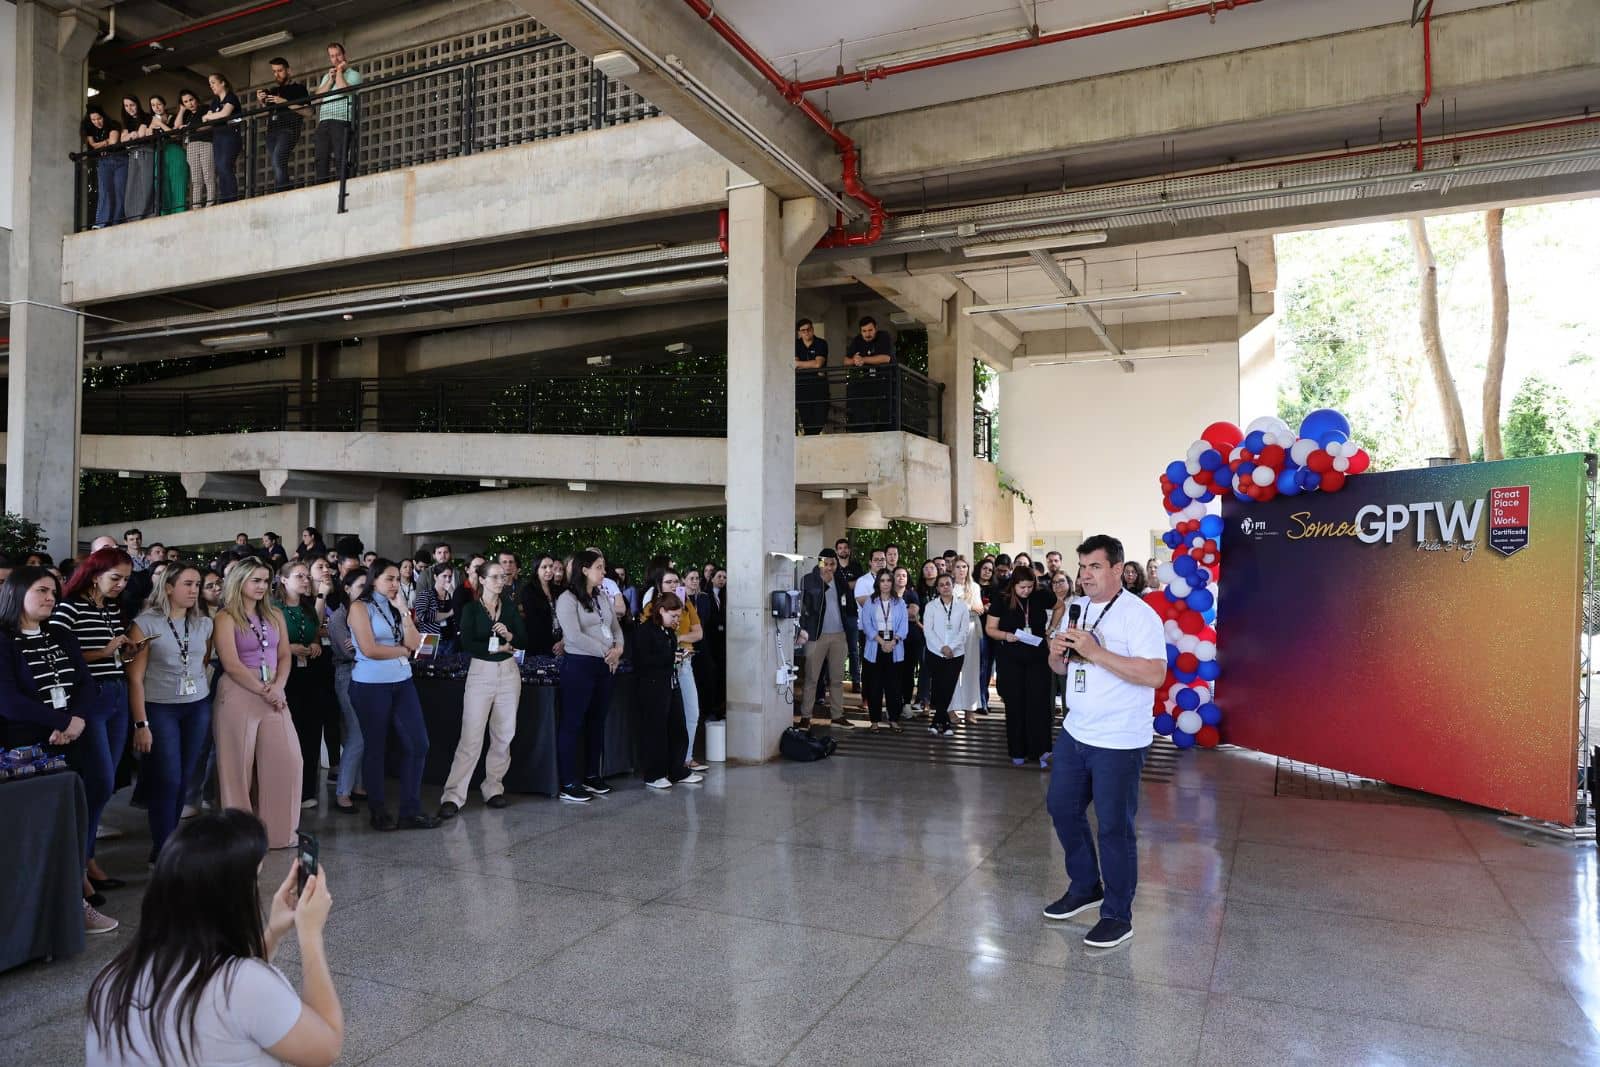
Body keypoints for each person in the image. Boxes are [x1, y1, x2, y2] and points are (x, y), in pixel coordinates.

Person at [84, 810, 344, 1067]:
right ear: (230, 898)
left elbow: (218, 978)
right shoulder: (245, 986)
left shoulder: (110, 979)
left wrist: (273, 932)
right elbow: (327, 1047)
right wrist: (310, 936)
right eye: (254, 880)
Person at [1042, 535, 1167, 949]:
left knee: (1114, 827)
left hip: (1119, 738)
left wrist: (1095, 653)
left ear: (1118, 569)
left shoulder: (1139, 615)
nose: (1085, 575)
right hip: (1077, 731)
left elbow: (1153, 674)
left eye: (1094, 567)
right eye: (1081, 568)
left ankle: (1117, 913)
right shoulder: (1075, 608)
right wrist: (1058, 654)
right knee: (1061, 807)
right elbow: (1058, 664)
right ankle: (1084, 885)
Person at [0, 566, 118, 934]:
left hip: (72, 733)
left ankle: (77, 882)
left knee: (85, 801)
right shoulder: (3, 639)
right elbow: (7, 699)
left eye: (53, 591)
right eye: (42, 590)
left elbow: (84, 683)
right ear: (16, 594)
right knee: (43, 827)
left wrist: (75, 720)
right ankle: (67, 904)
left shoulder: (61, 633)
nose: (51, 597)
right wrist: (59, 721)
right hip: (26, 745)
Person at [51, 549, 140, 889]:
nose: (121, 585)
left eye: (126, 579)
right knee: (99, 780)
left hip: (116, 691)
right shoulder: (69, 607)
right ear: (94, 574)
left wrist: (124, 651)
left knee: (106, 781)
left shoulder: (111, 609)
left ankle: (85, 858)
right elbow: (57, 654)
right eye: (115, 577)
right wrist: (103, 652)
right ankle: (79, 861)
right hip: (89, 696)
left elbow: (109, 652)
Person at [126, 564, 213, 859]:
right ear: (168, 587)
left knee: (185, 777)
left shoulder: (204, 623)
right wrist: (141, 723)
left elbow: (202, 662)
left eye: (198, 584)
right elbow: (135, 678)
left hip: (197, 706)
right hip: (160, 708)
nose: (194, 590)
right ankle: (163, 847)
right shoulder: (145, 623)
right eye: (188, 584)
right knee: (169, 778)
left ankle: (170, 840)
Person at [213, 559, 299, 849]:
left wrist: (278, 687)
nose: (262, 586)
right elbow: (231, 664)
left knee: (288, 761)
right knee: (236, 768)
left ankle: (281, 834)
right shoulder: (225, 617)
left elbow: (285, 654)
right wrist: (265, 689)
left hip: (274, 692)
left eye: (265, 580)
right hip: (239, 692)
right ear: (240, 582)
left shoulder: (275, 614)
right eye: (256, 580)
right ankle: (240, 837)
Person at [347, 559, 438, 831]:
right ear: (374, 579)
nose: (395, 583)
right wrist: (402, 652)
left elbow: (414, 642)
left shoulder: (396, 606)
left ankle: (410, 810)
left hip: (403, 682)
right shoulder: (359, 607)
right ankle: (378, 810)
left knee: (419, 744)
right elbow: (370, 649)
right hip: (370, 685)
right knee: (376, 747)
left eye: (398, 578)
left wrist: (404, 612)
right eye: (389, 578)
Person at [439, 559, 526, 819]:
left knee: (504, 734)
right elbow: (467, 642)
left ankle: (493, 787)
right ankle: (453, 795)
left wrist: (510, 637)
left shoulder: (509, 607)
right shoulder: (471, 609)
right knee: (471, 736)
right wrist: (495, 647)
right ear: (483, 580)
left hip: (509, 672)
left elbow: (523, 638)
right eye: (496, 576)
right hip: (481, 672)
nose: (502, 580)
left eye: (503, 576)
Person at [554, 551, 625, 803]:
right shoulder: (567, 598)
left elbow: (616, 627)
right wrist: (608, 652)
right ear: (584, 570)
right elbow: (573, 636)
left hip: (605, 665)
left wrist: (618, 649)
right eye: (598, 567)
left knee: (597, 721)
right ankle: (569, 781)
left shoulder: (601, 596)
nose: (603, 572)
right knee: (573, 723)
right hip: (580, 665)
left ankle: (592, 775)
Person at [633, 592, 705, 790]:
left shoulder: (668, 631)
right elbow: (641, 661)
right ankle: (654, 773)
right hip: (652, 686)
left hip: (670, 683)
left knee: (678, 726)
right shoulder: (645, 631)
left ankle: (677, 769)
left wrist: (676, 656)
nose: (676, 621)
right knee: (656, 730)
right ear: (661, 610)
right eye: (673, 616)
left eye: (678, 617)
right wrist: (670, 659)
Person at [987, 568, 1057, 769]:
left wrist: (1050, 629)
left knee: (1038, 703)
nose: (1026, 591)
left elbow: (1059, 606)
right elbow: (990, 629)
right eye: (1022, 587)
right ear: (1013, 585)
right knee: (1016, 704)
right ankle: (1017, 750)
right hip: (1011, 658)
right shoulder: (1002, 598)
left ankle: (1041, 750)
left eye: (1029, 586)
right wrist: (1006, 636)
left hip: (1037, 657)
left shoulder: (1041, 594)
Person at [276, 561, 330, 809]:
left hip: (310, 672)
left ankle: (307, 789)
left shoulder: (308, 607)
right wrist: (287, 649)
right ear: (284, 580)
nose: (306, 580)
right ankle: (284, 789)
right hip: (284, 675)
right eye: (299, 576)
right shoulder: (273, 608)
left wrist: (315, 643)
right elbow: (265, 644)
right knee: (288, 732)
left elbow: (314, 631)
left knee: (310, 731)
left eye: (307, 576)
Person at [324, 567, 367, 814]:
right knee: (356, 734)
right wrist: (366, 643)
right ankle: (343, 792)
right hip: (348, 674)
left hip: (369, 674)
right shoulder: (339, 618)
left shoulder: (369, 613)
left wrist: (363, 643)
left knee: (365, 733)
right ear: (347, 589)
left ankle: (358, 786)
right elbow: (348, 651)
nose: (365, 591)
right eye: (361, 586)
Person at [796, 548, 852, 730]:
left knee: (836, 679)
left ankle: (837, 715)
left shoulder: (840, 579)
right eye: (825, 563)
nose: (829, 567)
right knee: (812, 678)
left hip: (839, 635)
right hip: (815, 635)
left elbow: (847, 604)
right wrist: (823, 584)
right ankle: (805, 716)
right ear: (819, 562)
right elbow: (808, 607)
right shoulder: (809, 579)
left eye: (832, 564)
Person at [861, 570, 907, 732]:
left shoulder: (899, 602)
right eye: (882, 580)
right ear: (878, 583)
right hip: (875, 646)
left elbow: (904, 626)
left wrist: (893, 642)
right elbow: (866, 624)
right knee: (875, 686)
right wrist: (881, 642)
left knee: (894, 686)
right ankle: (874, 721)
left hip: (895, 646)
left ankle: (894, 719)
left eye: (888, 580)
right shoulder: (870, 602)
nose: (886, 583)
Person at [921, 574, 966, 737]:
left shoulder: (962, 607)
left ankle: (936, 722)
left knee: (948, 687)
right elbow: (928, 630)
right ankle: (944, 722)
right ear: (937, 588)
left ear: (953, 586)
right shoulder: (931, 606)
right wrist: (942, 647)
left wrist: (951, 647)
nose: (945, 587)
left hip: (957, 653)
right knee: (939, 688)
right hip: (935, 653)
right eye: (941, 584)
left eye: (948, 584)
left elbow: (964, 631)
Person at [313, 43, 363, 183]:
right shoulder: (327, 77)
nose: (336, 59)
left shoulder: (354, 74)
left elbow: (343, 89)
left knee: (340, 155)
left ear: (344, 55)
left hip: (341, 120)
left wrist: (340, 72)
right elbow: (316, 99)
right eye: (332, 56)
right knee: (321, 157)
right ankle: (321, 185)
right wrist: (329, 81)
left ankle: (343, 184)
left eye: (338, 55)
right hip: (324, 121)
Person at [258, 56, 310, 190]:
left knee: (278, 158)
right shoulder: (273, 91)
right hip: (272, 131)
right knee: (277, 163)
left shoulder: (299, 88)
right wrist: (262, 102)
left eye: (280, 71)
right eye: (274, 71)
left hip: (289, 129)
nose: (277, 74)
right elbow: (263, 113)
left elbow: (309, 112)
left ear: (289, 71)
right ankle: (283, 187)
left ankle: (283, 189)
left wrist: (284, 102)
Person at [946, 556, 986, 721]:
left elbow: (980, 608)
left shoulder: (974, 586)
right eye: (958, 567)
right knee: (954, 670)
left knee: (971, 669)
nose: (962, 570)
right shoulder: (948, 586)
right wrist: (969, 607)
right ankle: (951, 709)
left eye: (964, 567)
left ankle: (970, 709)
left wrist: (969, 607)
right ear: (953, 569)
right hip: (953, 632)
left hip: (971, 630)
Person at [844, 315, 894, 430]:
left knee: (885, 410)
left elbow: (886, 358)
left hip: (885, 380)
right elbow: (846, 361)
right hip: (867, 380)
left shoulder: (883, 336)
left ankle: (884, 428)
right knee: (855, 395)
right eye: (864, 331)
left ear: (875, 328)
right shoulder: (857, 340)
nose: (867, 334)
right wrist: (854, 360)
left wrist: (863, 359)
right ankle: (861, 427)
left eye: (870, 330)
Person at [145, 95, 189, 214]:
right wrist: (151, 127)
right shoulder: (152, 121)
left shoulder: (173, 117)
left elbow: (174, 134)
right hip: (159, 153)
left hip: (175, 151)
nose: (156, 107)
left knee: (178, 182)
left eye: (158, 104)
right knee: (160, 183)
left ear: (164, 104)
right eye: (153, 105)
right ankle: (164, 213)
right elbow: (148, 137)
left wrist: (160, 123)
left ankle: (180, 212)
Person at [202, 73, 242, 203]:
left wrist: (211, 116)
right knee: (220, 167)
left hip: (230, 135)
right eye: (209, 84)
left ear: (223, 83)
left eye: (213, 82)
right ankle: (225, 197)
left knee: (225, 165)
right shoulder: (215, 102)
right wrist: (211, 116)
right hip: (218, 136)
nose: (211, 86)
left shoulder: (231, 97)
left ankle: (231, 197)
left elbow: (225, 113)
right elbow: (205, 118)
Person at [82, 106, 123, 229]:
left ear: (103, 116)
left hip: (120, 159)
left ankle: (117, 221)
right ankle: (101, 222)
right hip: (104, 162)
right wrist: (104, 142)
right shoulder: (90, 130)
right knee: (105, 191)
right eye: (93, 120)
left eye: (99, 118)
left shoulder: (113, 124)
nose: (97, 122)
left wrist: (103, 144)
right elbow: (93, 145)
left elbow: (113, 141)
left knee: (119, 191)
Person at [117, 96, 157, 222]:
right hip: (133, 154)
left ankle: (149, 213)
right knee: (133, 184)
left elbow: (141, 133)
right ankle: (133, 215)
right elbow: (122, 139)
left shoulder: (146, 116)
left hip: (146, 152)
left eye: (132, 105)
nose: (129, 108)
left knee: (146, 182)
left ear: (137, 104)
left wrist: (131, 135)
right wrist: (129, 135)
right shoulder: (126, 121)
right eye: (126, 106)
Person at [519, 554, 564, 656]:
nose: (549, 570)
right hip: (539, 645)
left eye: (551, 566)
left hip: (560, 643)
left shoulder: (557, 589)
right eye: (544, 567)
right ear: (536, 570)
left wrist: (562, 642)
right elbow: (533, 621)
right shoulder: (528, 590)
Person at [893, 566, 922, 720]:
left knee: (908, 672)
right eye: (898, 575)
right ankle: (893, 705)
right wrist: (903, 610)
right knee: (893, 672)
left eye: (904, 575)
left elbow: (913, 613)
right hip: (890, 639)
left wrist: (895, 611)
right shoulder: (887, 594)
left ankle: (906, 704)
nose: (901, 578)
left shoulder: (912, 594)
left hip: (911, 639)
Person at [834, 538, 862, 690]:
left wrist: (843, 586)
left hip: (852, 612)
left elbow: (860, 584)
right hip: (835, 614)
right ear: (836, 550)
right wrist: (849, 585)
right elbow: (835, 587)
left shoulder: (856, 566)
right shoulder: (833, 566)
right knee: (834, 649)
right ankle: (831, 680)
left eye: (845, 547)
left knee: (853, 649)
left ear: (849, 550)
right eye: (840, 548)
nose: (843, 550)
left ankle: (856, 681)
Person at [795, 318, 829, 435]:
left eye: (808, 329)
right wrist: (813, 366)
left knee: (820, 418)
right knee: (806, 419)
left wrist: (801, 365)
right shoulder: (796, 344)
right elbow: (794, 364)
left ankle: (811, 437)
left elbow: (818, 363)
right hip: (802, 387)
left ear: (813, 330)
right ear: (799, 333)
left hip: (819, 387)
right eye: (803, 330)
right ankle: (809, 438)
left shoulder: (821, 343)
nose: (806, 332)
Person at [413, 562, 456, 651]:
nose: (448, 580)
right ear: (435, 577)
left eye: (450, 576)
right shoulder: (426, 594)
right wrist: (448, 614)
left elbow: (459, 612)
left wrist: (453, 594)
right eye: (444, 576)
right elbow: (421, 616)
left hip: (451, 640)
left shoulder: (453, 594)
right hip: (431, 640)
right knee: (430, 664)